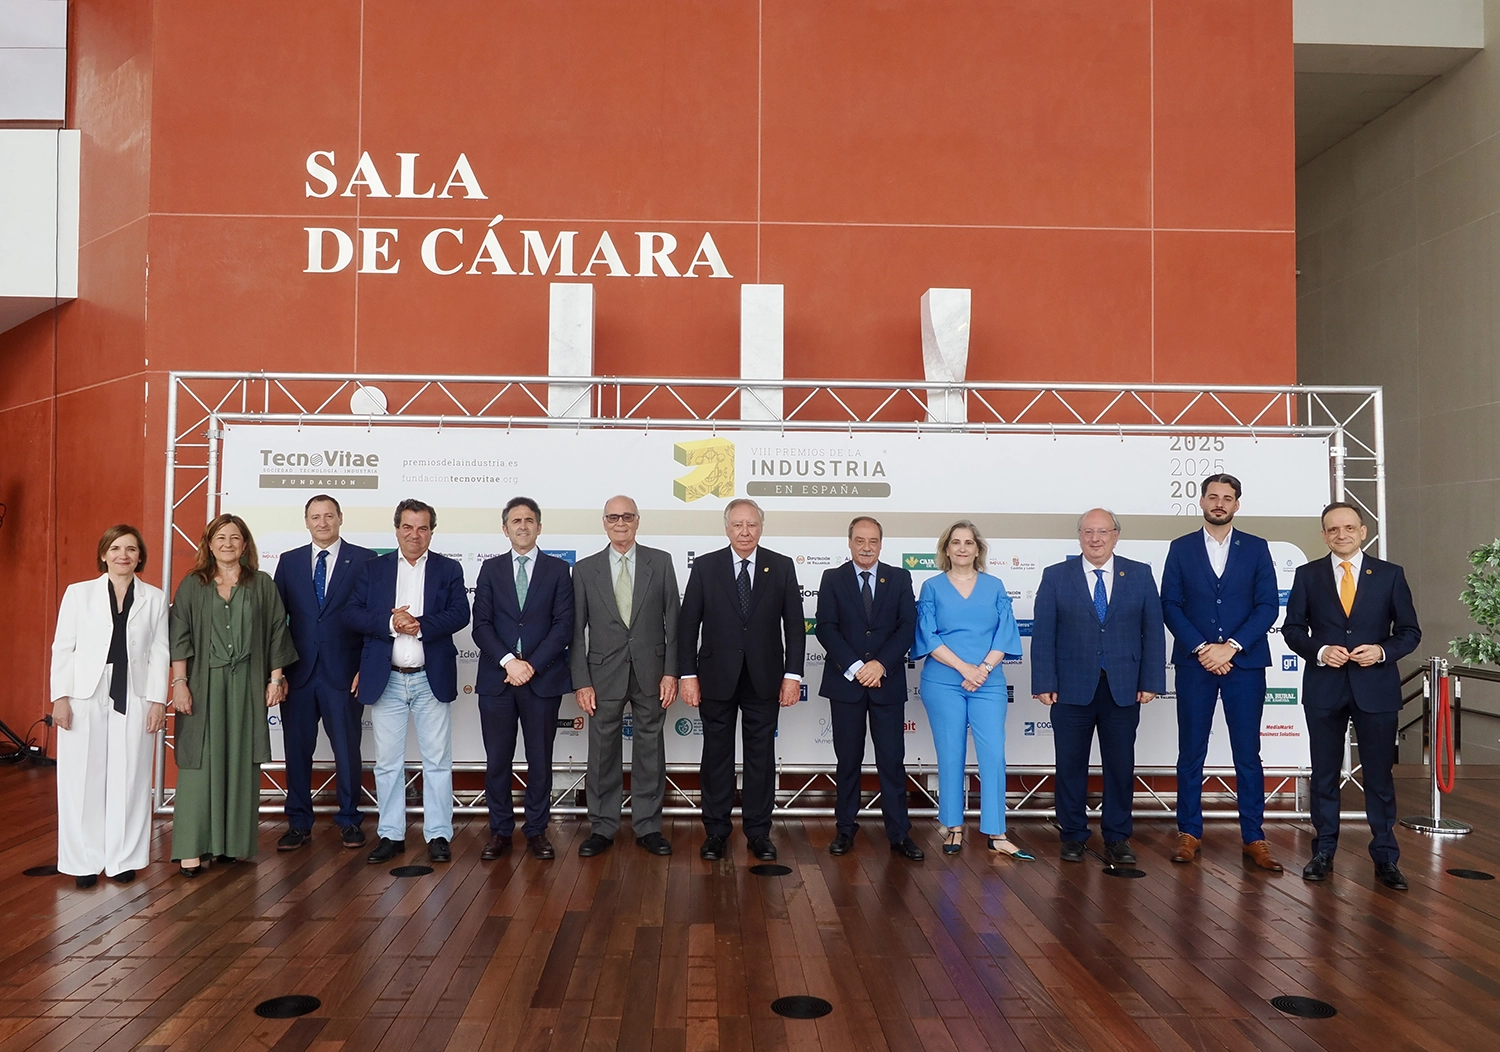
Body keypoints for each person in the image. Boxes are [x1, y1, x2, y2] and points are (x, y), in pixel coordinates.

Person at [1283, 501, 1421, 890]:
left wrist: (1381, 651)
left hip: (1376, 688)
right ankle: (1323, 851)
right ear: (1324, 535)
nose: (1341, 534)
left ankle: (1386, 856)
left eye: (1348, 528)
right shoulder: (1308, 575)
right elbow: (1293, 629)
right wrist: (1320, 651)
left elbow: (1409, 632)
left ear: (1363, 532)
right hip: (1324, 688)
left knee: (1379, 776)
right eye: (1333, 529)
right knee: (1324, 775)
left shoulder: (1390, 575)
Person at [1161, 474, 1283, 871]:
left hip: (1244, 664)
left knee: (1247, 753)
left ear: (1237, 504)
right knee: (1190, 751)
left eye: (1227, 498)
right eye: (1213, 496)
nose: (1219, 503)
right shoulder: (1180, 548)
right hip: (1195, 664)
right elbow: (1170, 605)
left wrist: (1230, 646)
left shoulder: (1257, 548)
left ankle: (1254, 837)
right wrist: (1203, 648)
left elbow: (1268, 606)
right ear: (1201, 501)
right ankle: (1188, 832)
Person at [1031, 509, 1165, 864]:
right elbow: (1043, 633)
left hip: (1123, 688)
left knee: (1120, 767)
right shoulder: (1056, 576)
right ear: (1079, 536)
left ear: (1116, 535)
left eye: (1103, 532)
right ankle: (1073, 835)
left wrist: (1151, 680)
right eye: (1088, 532)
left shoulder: (1139, 574)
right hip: (1070, 688)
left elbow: (1153, 631)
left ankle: (1118, 837)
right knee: (1070, 765)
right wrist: (1044, 681)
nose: (1095, 539)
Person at [169, 514, 298, 875]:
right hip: (203, 682)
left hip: (248, 682)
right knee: (199, 762)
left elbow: (276, 631)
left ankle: (230, 844)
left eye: (235, 538)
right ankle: (192, 847)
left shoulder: (262, 584)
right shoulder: (193, 584)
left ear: (245, 545)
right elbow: (179, 635)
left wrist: (275, 680)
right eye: (220, 538)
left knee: (241, 759)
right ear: (209, 544)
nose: (227, 544)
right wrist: (180, 683)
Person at [679, 498, 805, 862]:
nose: (745, 531)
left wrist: (792, 675)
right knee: (716, 756)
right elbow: (688, 626)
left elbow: (795, 626)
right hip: (715, 678)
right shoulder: (706, 566)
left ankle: (758, 832)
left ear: (761, 528)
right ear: (727, 528)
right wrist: (688, 674)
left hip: (764, 678)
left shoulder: (780, 566)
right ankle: (716, 831)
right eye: (738, 525)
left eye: (751, 524)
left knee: (760, 758)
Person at [345, 499, 470, 866]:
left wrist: (420, 625)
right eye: (408, 527)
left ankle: (439, 834)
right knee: (387, 763)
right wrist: (390, 623)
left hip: (431, 678)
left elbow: (460, 613)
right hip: (388, 680)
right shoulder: (374, 569)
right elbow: (351, 614)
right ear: (397, 529)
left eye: (423, 528)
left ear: (431, 531)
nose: (415, 535)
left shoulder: (449, 568)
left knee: (437, 762)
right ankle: (391, 834)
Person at [50, 525, 170, 887]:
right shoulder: (79, 593)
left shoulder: (155, 598)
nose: (123, 555)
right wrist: (60, 698)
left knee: (132, 775)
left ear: (140, 556)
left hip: (135, 690)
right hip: (85, 691)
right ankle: (83, 861)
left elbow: (160, 651)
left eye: (131, 549)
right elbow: (63, 647)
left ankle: (123, 859)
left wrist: (157, 701)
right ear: (104, 554)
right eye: (116, 548)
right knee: (80, 777)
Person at [570, 496, 680, 858]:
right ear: (604, 522)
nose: (621, 523)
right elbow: (576, 632)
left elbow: (674, 624)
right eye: (613, 517)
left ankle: (648, 826)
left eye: (627, 516)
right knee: (602, 752)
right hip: (602, 673)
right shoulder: (584, 570)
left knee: (650, 749)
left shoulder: (660, 562)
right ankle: (602, 826)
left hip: (651, 671)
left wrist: (671, 672)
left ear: (637, 520)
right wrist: (582, 681)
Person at [912, 520, 1028, 859]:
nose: (962, 548)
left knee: (993, 755)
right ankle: (953, 826)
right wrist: (965, 668)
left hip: (988, 682)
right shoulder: (931, 587)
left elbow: (1005, 633)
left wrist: (983, 670)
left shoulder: (994, 586)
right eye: (956, 542)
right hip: (943, 681)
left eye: (968, 542)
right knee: (950, 754)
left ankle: (997, 832)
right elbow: (928, 635)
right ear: (946, 549)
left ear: (978, 549)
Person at [816, 516, 924, 860]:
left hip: (885, 683)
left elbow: (907, 627)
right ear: (849, 542)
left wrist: (880, 665)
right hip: (846, 684)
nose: (866, 547)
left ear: (881, 544)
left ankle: (899, 834)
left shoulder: (899, 577)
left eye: (873, 541)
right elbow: (825, 627)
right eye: (860, 540)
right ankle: (845, 829)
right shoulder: (832, 578)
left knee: (892, 762)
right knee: (847, 761)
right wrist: (856, 668)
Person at [272, 494, 376, 851]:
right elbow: (277, 622)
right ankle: (298, 823)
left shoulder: (364, 559)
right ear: (306, 521)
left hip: (344, 673)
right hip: (298, 673)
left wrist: (365, 668)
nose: (322, 522)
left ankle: (349, 820)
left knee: (346, 750)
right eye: (315, 517)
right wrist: (277, 673)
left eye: (329, 515)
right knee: (297, 750)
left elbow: (372, 619)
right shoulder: (289, 561)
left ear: (340, 518)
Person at [472, 497, 574, 860]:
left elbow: (564, 626)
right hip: (497, 680)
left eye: (529, 520)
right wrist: (509, 663)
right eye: (515, 521)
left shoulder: (558, 570)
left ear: (539, 527)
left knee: (540, 761)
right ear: (505, 529)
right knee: (497, 760)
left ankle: (536, 830)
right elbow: (481, 625)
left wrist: (529, 665)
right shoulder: (490, 569)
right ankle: (500, 831)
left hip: (541, 680)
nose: (522, 526)